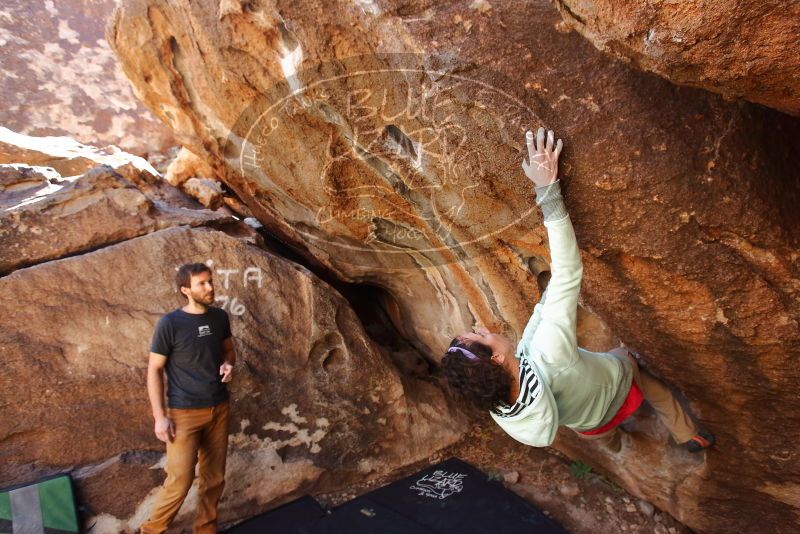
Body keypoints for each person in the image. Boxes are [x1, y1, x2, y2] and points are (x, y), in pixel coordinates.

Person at [441, 128, 714, 454]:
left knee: (601, 435)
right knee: (635, 365)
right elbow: (568, 273)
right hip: (618, 388)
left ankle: (619, 448)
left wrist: (551, 301)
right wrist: (547, 190)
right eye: (481, 337)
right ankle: (689, 436)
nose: (483, 329)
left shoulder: (503, 404)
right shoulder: (548, 352)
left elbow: (542, 316)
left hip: (590, 425)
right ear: (497, 358)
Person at [141, 263, 236, 534]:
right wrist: (160, 418)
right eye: (202, 284)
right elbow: (154, 370)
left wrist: (229, 364)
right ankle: (151, 531)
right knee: (179, 481)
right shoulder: (169, 324)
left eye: (210, 281)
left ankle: (205, 529)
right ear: (186, 290)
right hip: (183, 413)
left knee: (214, 478)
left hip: (219, 407)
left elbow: (229, 351)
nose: (210, 288)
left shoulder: (219, 317)